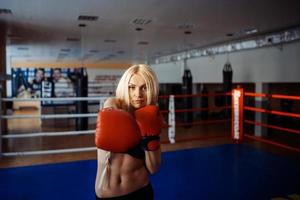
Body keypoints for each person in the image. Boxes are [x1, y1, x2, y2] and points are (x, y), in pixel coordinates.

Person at [95, 64, 163, 200]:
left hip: (140, 191)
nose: (138, 94)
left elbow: (153, 168)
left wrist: (150, 139)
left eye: (144, 88)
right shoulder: (113, 105)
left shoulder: (151, 118)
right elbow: (109, 106)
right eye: (132, 87)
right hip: (106, 194)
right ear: (125, 87)